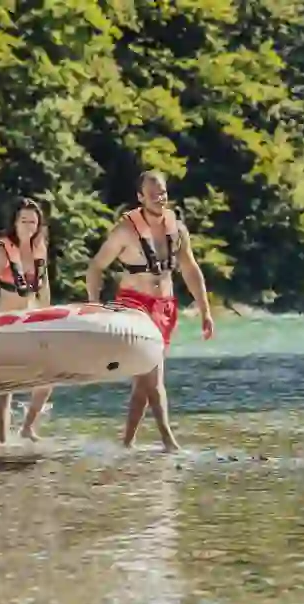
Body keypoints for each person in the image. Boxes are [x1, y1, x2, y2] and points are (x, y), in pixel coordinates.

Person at [86, 170, 215, 451]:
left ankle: (127, 444)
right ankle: (169, 442)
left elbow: (191, 269)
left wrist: (205, 310)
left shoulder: (177, 229)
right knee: (153, 372)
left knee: (144, 380)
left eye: (163, 193)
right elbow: (96, 267)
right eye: (153, 194)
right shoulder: (125, 229)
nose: (160, 198)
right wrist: (94, 304)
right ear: (140, 197)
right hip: (134, 305)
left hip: (166, 308)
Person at [0, 196, 53, 444]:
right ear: (14, 222)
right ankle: (2, 441)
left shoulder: (40, 248)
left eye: (33, 221)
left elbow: (45, 287)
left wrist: (50, 316)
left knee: (47, 379)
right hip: (4, 320)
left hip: (31, 318)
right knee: (5, 385)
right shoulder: (3, 251)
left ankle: (27, 427)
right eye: (24, 221)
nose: (29, 225)